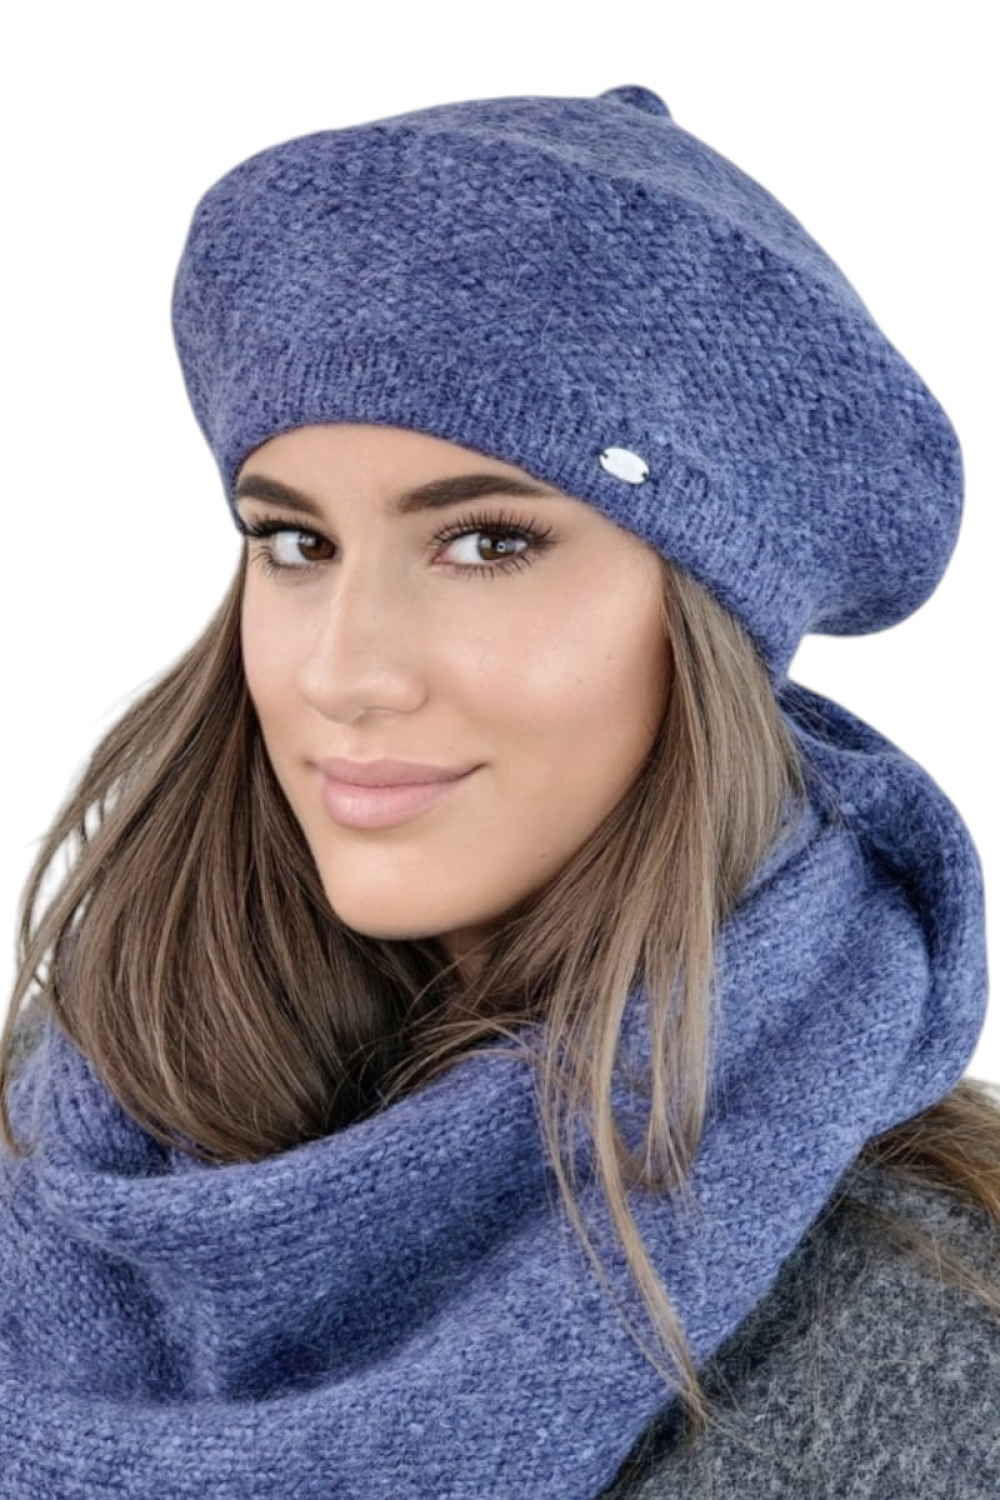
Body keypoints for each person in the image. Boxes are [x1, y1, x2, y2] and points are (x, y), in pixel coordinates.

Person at [1, 82, 997, 1499]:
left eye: (485, 544)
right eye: (295, 544)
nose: (345, 671)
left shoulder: (926, 1328)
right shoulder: (57, 1148)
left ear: (704, 625)